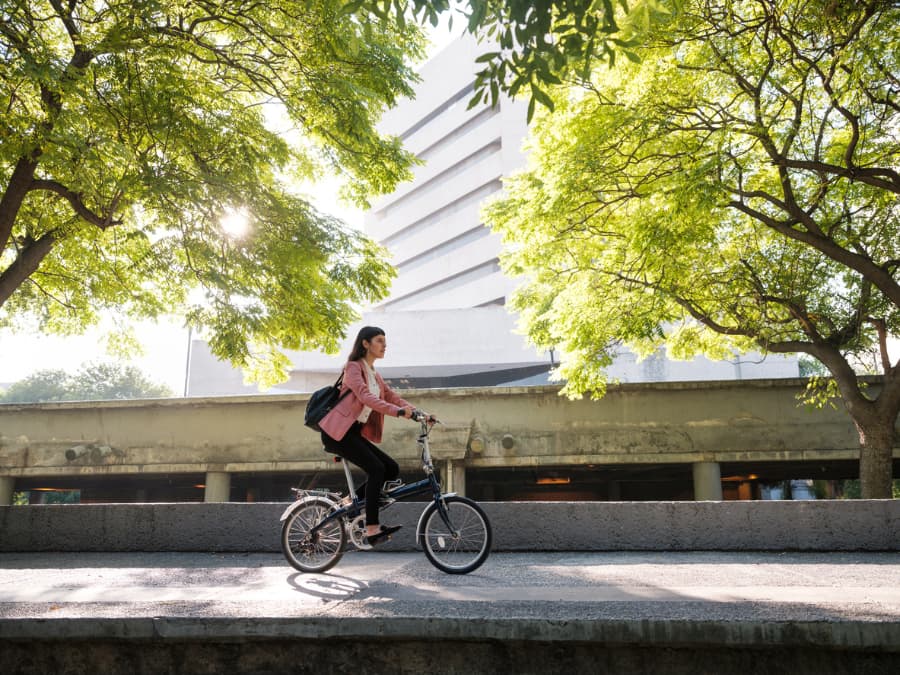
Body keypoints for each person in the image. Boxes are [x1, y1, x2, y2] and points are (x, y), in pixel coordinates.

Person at [318, 326, 428, 545]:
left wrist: (419, 413)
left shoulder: (374, 374)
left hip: (353, 433)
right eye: (379, 341)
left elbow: (392, 396)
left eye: (384, 341)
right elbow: (366, 397)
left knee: (391, 468)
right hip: (337, 433)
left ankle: (352, 503)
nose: (384, 345)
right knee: (376, 468)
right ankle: (371, 527)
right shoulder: (353, 368)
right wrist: (398, 413)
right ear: (365, 343)